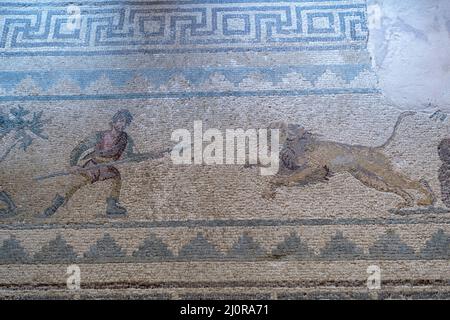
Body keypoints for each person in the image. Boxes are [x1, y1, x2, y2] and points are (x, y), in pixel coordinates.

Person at [42, 109, 137, 217]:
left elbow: (129, 155)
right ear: (114, 121)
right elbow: (80, 148)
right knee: (74, 184)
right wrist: (73, 165)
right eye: (120, 121)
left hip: (108, 168)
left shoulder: (125, 138)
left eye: (126, 122)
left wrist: (135, 158)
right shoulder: (100, 136)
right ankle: (53, 208)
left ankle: (111, 206)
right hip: (93, 166)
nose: (122, 124)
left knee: (116, 179)